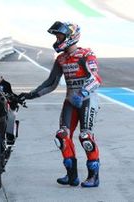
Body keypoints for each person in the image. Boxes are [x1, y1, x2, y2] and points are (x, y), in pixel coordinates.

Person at [19, 21, 102, 187]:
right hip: (71, 100)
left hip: (87, 99)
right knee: (62, 135)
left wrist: (83, 92)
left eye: (60, 35)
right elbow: (51, 83)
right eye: (57, 36)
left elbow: (96, 79)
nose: (57, 39)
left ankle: (94, 176)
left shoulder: (86, 54)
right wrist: (30, 95)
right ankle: (72, 176)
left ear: (71, 36)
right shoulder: (61, 59)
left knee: (85, 136)